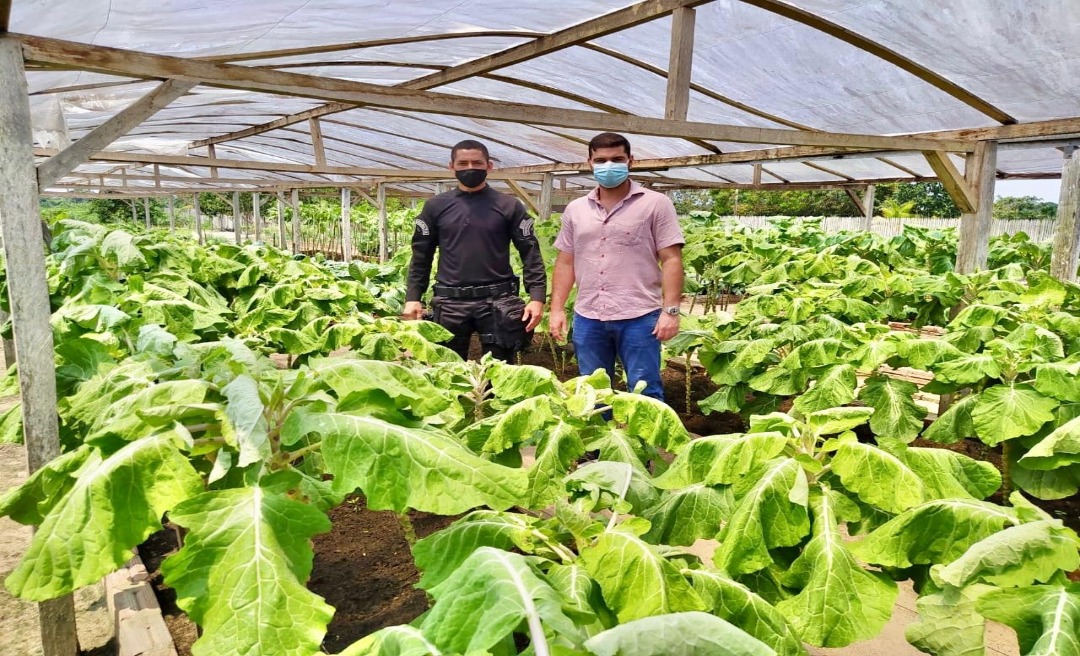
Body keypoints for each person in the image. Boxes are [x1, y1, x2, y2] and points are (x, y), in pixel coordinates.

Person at [548, 132, 684, 401]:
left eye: (617, 159)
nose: (608, 166)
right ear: (590, 163)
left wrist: (671, 311)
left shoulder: (656, 204)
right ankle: (600, 443)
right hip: (589, 316)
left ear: (630, 161)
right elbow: (565, 262)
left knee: (645, 389)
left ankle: (644, 443)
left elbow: (672, 259)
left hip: (639, 315)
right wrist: (556, 309)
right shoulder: (576, 209)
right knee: (592, 391)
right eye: (601, 160)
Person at [403, 139, 546, 360]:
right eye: (463, 163)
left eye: (477, 163)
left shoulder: (508, 205)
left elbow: (530, 254)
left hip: (497, 302)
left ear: (489, 166)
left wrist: (537, 298)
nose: (470, 168)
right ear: (452, 167)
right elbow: (421, 256)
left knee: (500, 375)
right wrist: (413, 297)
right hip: (450, 302)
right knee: (447, 372)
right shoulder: (436, 207)